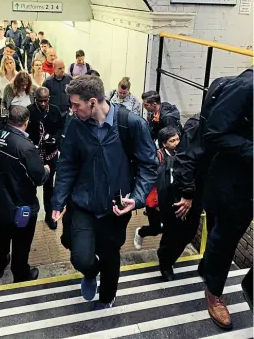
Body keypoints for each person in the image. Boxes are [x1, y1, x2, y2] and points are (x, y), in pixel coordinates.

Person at [52, 76, 158, 310]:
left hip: (115, 209)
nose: (72, 109)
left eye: (75, 104)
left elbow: (149, 165)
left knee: (110, 255)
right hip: (83, 205)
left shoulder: (131, 124)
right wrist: (58, 201)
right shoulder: (75, 125)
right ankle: (90, 272)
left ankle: (106, 298)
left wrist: (137, 198)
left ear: (92, 102)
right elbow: (67, 163)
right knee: (80, 257)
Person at [200, 68, 253, 330]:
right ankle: (214, 292)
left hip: (245, 182)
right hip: (232, 183)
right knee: (224, 239)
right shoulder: (245, 87)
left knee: (222, 237)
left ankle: (207, 268)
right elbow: (213, 134)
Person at [0, 105, 50, 283]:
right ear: (26, 122)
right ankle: (21, 273)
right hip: (23, 204)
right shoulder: (26, 148)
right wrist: (46, 168)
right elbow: (39, 178)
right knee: (22, 242)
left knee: (1, 234)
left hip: (1, 200)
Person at [134, 126, 180, 253]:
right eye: (172, 140)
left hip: (171, 199)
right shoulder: (157, 157)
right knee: (154, 230)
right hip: (156, 200)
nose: (177, 143)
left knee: (171, 228)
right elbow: (151, 180)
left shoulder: (180, 154)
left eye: (177, 139)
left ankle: (165, 254)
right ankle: (141, 232)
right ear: (164, 143)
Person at [27, 87, 63, 230]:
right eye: (40, 101)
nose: (43, 104)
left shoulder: (54, 110)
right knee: (31, 186)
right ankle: (30, 216)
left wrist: (55, 139)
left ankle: (49, 216)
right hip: (34, 155)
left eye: (45, 100)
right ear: (35, 98)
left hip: (50, 154)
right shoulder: (29, 111)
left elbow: (61, 128)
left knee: (49, 187)